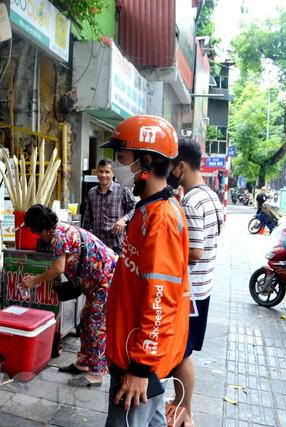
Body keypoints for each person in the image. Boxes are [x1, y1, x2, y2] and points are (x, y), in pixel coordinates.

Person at [101, 115, 190, 427]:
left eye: (123, 159)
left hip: (137, 365)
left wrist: (140, 369)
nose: (118, 168)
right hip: (131, 354)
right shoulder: (145, 209)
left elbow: (160, 299)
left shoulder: (162, 218)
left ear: (146, 162)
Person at [21, 204, 117, 387]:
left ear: (42, 228)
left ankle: (97, 372)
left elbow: (58, 268)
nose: (37, 236)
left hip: (106, 280)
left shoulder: (58, 237)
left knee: (97, 325)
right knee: (86, 318)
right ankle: (83, 363)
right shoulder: (60, 230)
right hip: (97, 281)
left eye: (36, 231)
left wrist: (34, 281)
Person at [166, 138, 224, 427]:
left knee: (182, 354)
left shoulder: (191, 200)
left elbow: (196, 252)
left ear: (181, 166)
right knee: (184, 353)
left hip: (191, 293)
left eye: (172, 165)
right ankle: (179, 405)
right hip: (204, 289)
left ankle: (185, 412)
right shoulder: (211, 195)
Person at [81, 159, 136, 254]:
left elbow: (135, 208)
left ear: (113, 173)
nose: (103, 175)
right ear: (97, 172)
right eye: (101, 171)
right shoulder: (92, 192)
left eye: (107, 172)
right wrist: (83, 240)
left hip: (117, 244)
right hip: (97, 245)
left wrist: (124, 219)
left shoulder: (123, 190)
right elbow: (87, 218)